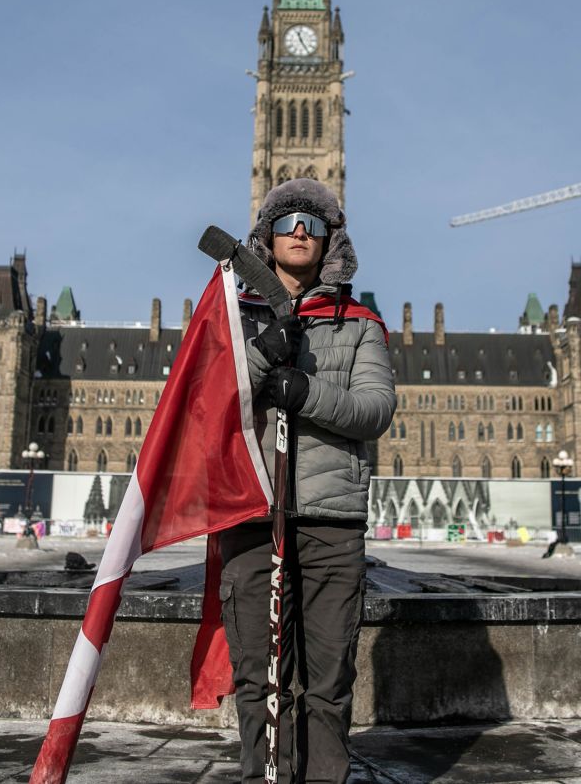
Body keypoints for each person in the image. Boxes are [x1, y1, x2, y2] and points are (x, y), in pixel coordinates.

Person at [220, 178, 396, 784]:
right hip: (251, 515)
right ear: (266, 236)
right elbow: (208, 400)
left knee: (328, 682)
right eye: (288, 220)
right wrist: (269, 349)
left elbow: (374, 410)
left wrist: (308, 392)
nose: (301, 231)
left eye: (314, 224)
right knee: (261, 682)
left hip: (331, 523)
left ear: (331, 242)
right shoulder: (231, 317)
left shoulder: (358, 324)